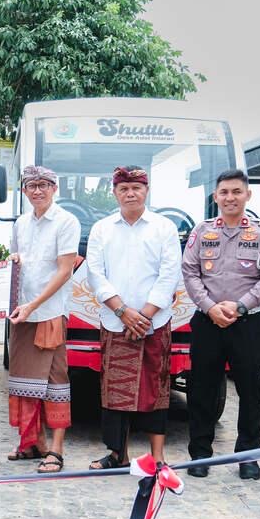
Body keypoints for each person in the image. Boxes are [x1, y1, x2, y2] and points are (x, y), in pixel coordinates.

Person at [182, 169, 260, 480]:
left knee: (251, 390)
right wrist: (211, 308)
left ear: (248, 195)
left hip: (247, 324)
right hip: (208, 321)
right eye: (224, 192)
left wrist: (240, 306)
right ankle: (200, 454)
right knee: (202, 389)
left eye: (236, 192)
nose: (230, 198)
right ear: (216, 197)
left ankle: (248, 455)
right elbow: (190, 272)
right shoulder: (202, 232)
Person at [86, 166, 181, 471]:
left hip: (155, 321)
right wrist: (123, 311)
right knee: (115, 390)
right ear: (114, 192)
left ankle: (158, 457)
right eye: (123, 188)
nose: (130, 193)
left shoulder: (165, 227)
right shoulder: (102, 228)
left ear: (146, 191)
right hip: (116, 320)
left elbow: (169, 275)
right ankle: (118, 454)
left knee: (157, 388)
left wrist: (145, 314)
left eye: (136, 188)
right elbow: (95, 273)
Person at [7, 166, 80, 474]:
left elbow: (65, 271)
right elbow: (18, 261)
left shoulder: (66, 221)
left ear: (55, 187)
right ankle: (32, 443)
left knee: (54, 381)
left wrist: (32, 305)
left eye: (43, 185)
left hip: (49, 314)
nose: (37, 190)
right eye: (31, 185)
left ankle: (57, 450)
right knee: (23, 380)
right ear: (24, 191)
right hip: (22, 314)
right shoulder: (21, 223)